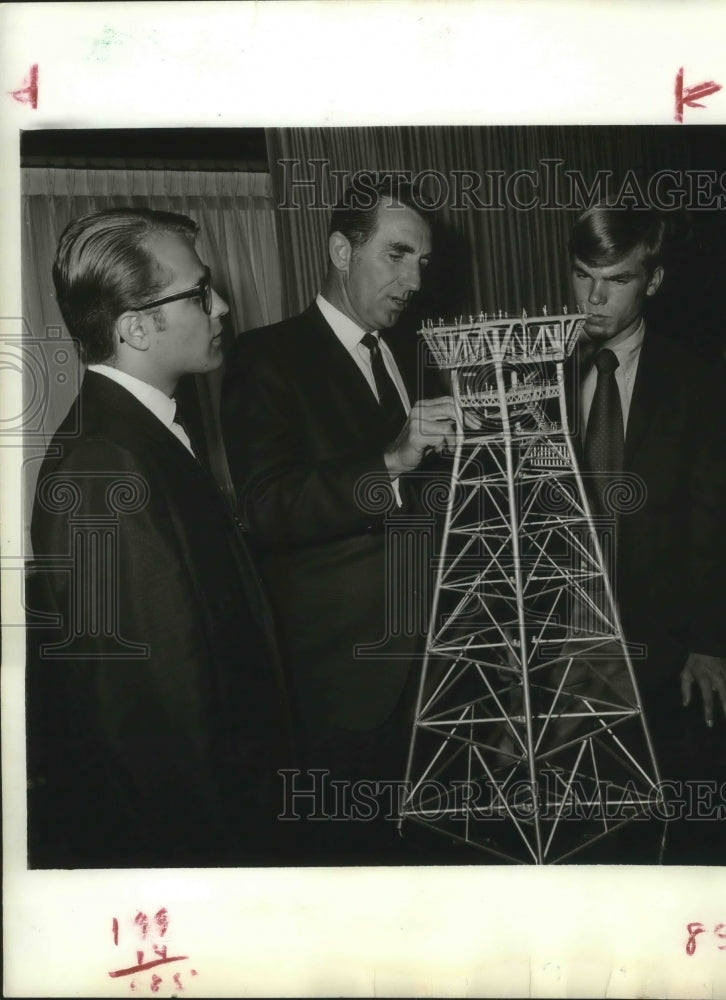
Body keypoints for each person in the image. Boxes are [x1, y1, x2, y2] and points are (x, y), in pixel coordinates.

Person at [27, 207, 295, 868]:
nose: (225, 306)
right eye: (201, 293)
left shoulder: (140, 433)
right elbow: (151, 719)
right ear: (135, 327)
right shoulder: (103, 467)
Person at [221, 176, 458, 820]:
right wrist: (390, 461)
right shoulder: (265, 357)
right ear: (340, 250)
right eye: (397, 254)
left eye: (424, 262)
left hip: (435, 668)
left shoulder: (414, 355)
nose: (414, 282)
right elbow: (267, 505)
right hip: (340, 684)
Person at [566, 205, 726, 814]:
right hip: (555, 647)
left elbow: (714, 522)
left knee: (652, 822)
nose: (594, 298)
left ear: (654, 281)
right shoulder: (539, 373)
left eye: (616, 280)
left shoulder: (698, 384)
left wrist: (709, 643)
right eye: (582, 275)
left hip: (659, 653)